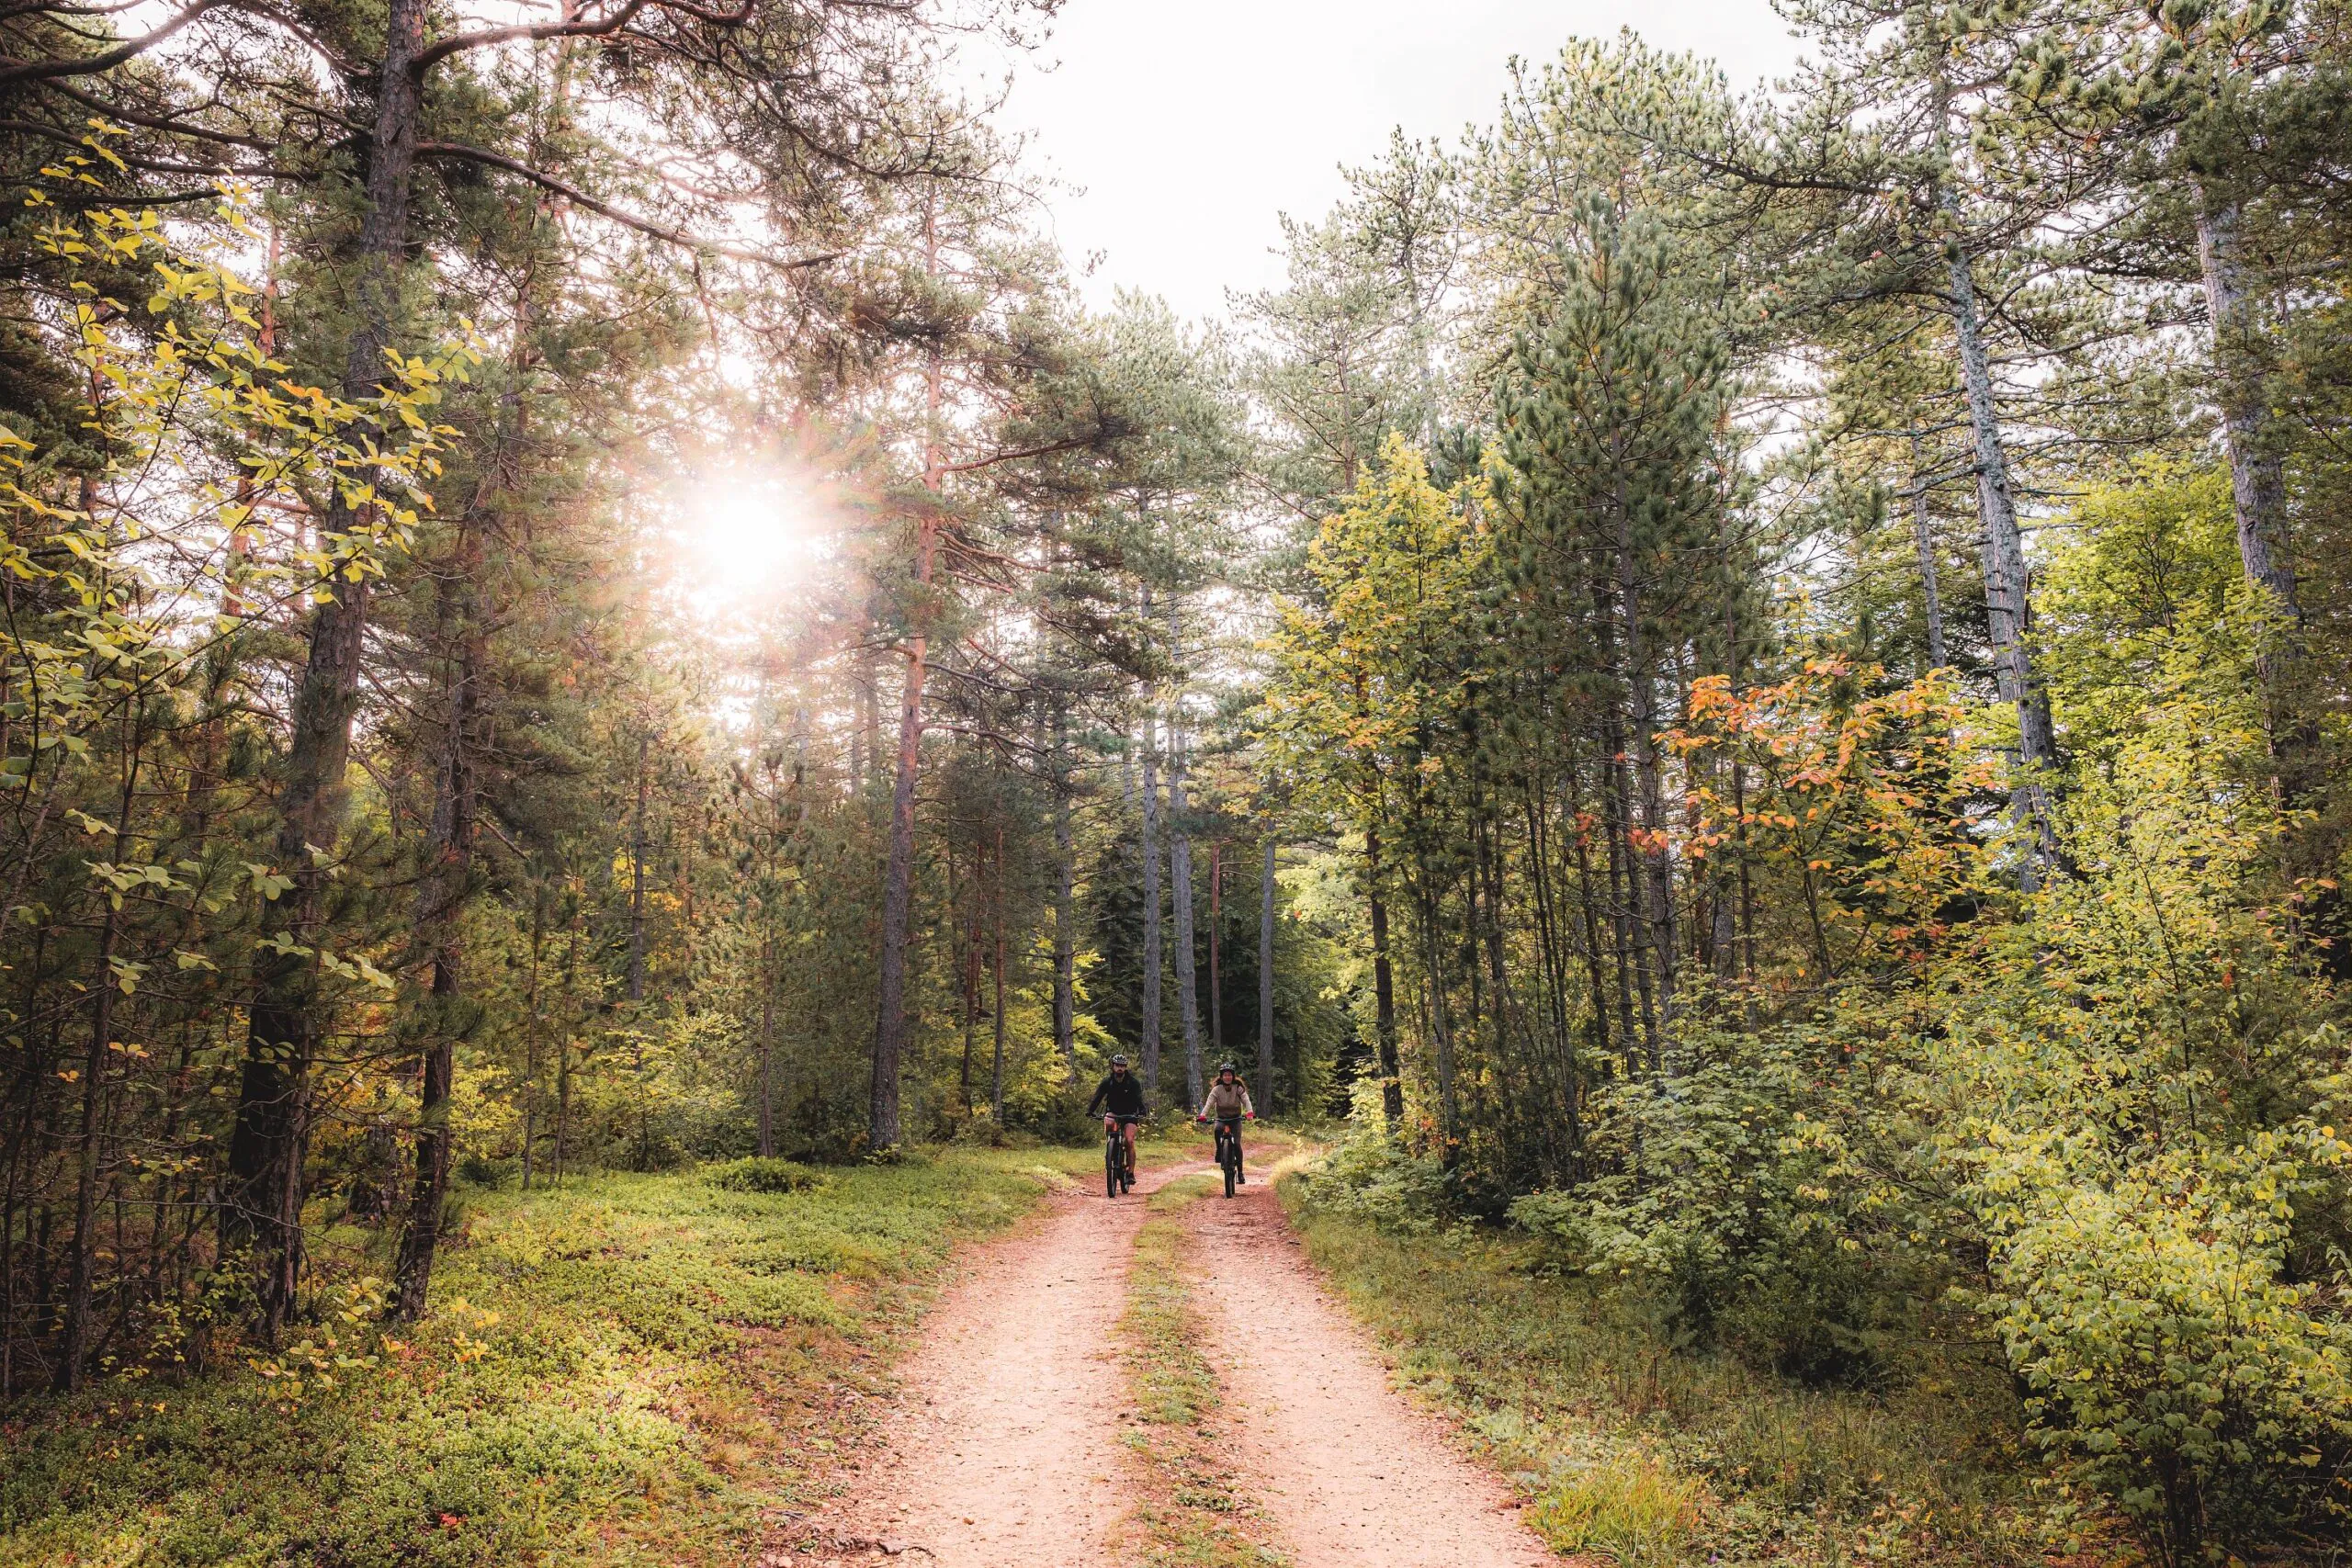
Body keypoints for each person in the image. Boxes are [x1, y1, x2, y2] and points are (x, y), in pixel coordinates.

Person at [1087, 1054, 1148, 1180]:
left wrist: (1142, 1111)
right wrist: (1090, 1111)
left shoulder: (1133, 1082)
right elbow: (1098, 1097)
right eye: (1117, 1065)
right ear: (1113, 1066)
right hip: (1113, 1112)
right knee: (1108, 1123)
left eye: (1122, 1066)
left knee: (1129, 1141)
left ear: (1125, 1068)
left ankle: (1130, 1173)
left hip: (1130, 1114)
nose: (1120, 1068)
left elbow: (1138, 1098)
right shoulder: (1107, 1082)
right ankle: (1111, 1146)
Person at [1196, 1061, 1255, 1183]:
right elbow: (1209, 1103)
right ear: (1221, 1077)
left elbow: (1246, 1100)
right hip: (1221, 1118)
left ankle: (1240, 1172)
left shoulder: (1238, 1088)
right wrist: (1203, 1115)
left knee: (1237, 1144)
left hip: (1236, 1119)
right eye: (1225, 1075)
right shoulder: (1216, 1090)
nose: (1227, 1077)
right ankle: (1219, 1149)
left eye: (1229, 1075)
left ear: (1233, 1076)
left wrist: (1249, 1112)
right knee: (1217, 1130)